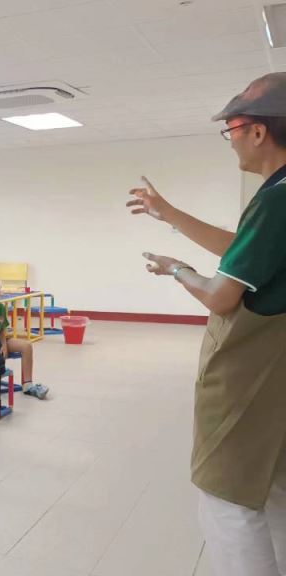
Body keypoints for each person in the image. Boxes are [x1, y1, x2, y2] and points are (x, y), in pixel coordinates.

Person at [126, 73, 286, 576]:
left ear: (257, 131)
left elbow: (221, 295)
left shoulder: (277, 198)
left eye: (231, 128)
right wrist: (169, 213)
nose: (230, 139)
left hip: (253, 370)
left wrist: (177, 269)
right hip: (277, 376)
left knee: (228, 498)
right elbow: (244, 250)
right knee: (275, 483)